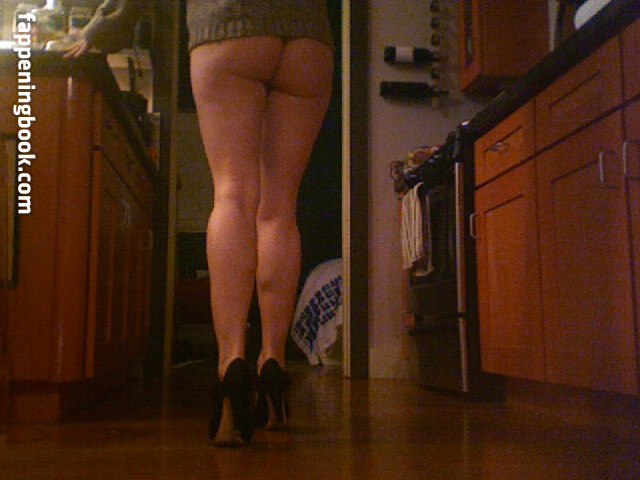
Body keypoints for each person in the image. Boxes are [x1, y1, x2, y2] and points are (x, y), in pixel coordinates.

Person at [64, 0, 334, 447]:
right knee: (280, 208)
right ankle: (274, 366)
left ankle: (231, 369)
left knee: (233, 196)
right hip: (308, 39)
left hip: (229, 26)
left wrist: (103, 30)